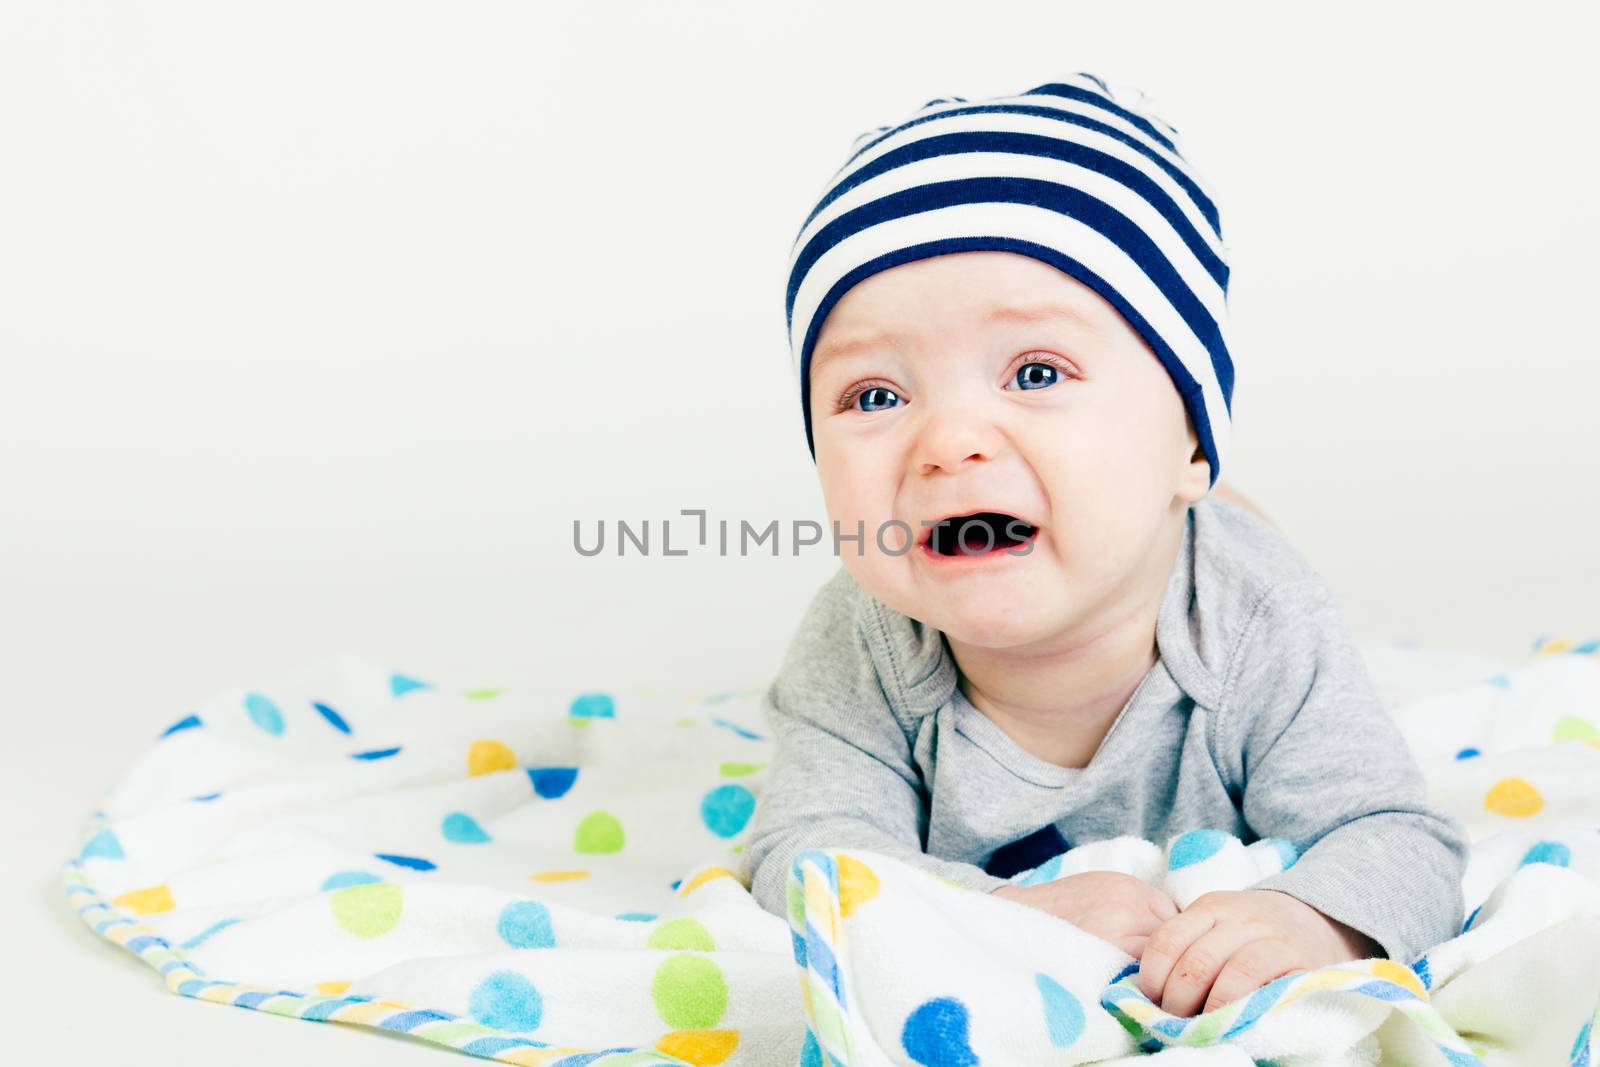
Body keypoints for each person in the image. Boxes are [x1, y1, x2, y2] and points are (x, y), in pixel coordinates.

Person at [741, 75, 1468, 1019]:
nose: (948, 440)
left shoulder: (1255, 626)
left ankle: (1206, 504)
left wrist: (1311, 919)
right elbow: (808, 850)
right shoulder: (866, 635)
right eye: (875, 396)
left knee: (1231, 555)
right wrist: (1004, 912)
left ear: (1194, 442)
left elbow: (1399, 837)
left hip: (1215, 555)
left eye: (1035, 372)